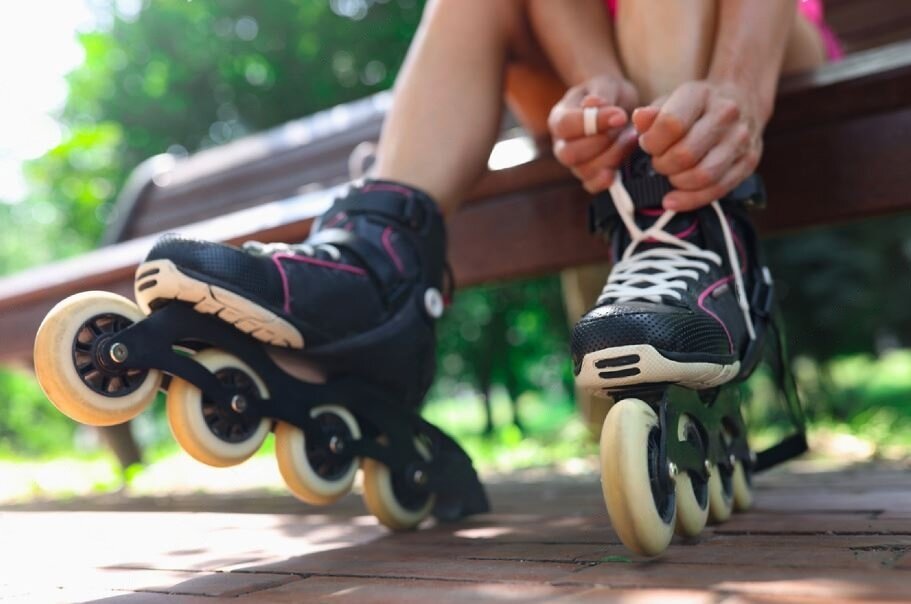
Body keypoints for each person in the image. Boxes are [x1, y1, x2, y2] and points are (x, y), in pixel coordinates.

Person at [140, 0, 840, 417]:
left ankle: (686, 239)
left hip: (756, 43)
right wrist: (596, 81)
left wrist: (738, 92)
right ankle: (375, 266)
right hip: (593, 68)